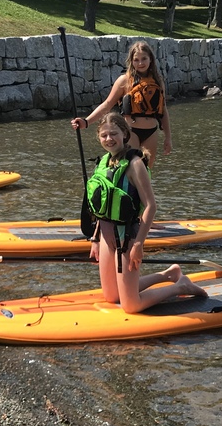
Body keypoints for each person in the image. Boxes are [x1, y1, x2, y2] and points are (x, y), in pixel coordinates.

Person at [85, 112, 206, 313]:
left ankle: (180, 286)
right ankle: (168, 274)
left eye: (114, 134)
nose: (109, 139)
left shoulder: (135, 164)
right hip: (106, 236)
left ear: (124, 134)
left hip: (127, 237)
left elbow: (151, 206)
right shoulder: (102, 163)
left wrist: (139, 244)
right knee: (111, 296)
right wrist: (95, 239)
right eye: (104, 135)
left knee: (131, 306)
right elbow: (102, 207)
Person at [71, 40, 172, 166]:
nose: (140, 63)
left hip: (151, 131)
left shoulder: (158, 80)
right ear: (131, 61)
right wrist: (86, 122)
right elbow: (107, 104)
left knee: (147, 169)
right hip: (131, 130)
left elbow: (163, 110)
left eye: (144, 58)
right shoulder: (124, 80)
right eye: (136, 60)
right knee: (131, 166)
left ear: (150, 59)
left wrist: (168, 137)